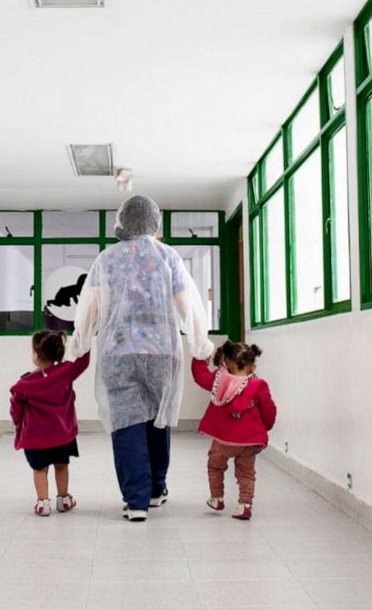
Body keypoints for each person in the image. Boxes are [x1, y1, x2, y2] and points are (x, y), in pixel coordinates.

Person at [68, 195, 214, 522]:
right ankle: (156, 489)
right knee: (157, 418)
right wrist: (200, 343)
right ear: (154, 222)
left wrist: (78, 344)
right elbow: (186, 303)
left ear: (122, 221)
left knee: (127, 423)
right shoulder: (168, 257)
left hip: (118, 352)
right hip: (162, 352)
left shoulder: (107, 259)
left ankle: (136, 501)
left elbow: (89, 305)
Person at [191, 341, 276, 520]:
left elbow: (200, 377)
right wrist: (265, 428)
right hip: (249, 441)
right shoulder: (259, 385)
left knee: (215, 466)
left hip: (223, 440)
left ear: (227, 362)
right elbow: (269, 410)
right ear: (253, 365)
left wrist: (200, 359)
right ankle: (244, 504)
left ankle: (217, 498)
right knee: (246, 472)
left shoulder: (218, 380)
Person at [10, 330, 90, 516]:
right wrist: (85, 340)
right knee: (62, 465)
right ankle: (63, 499)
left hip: (35, 438)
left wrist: (16, 422)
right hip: (62, 435)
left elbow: (16, 409)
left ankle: (43, 502)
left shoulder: (24, 384)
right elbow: (83, 362)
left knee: (39, 469)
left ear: (36, 355)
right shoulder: (65, 372)